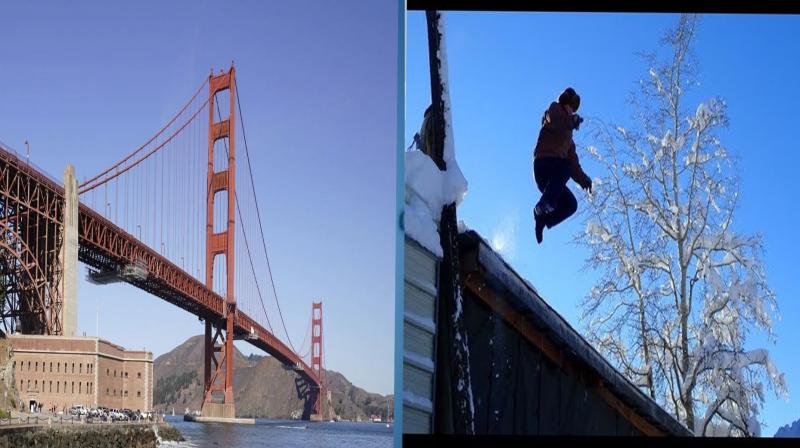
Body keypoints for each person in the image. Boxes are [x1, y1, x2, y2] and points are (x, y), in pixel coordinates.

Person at [532, 87, 592, 244]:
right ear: (564, 102)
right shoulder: (554, 110)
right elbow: (556, 120)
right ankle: (545, 203)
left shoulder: (569, 142)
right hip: (543, 165)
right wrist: (570, 122)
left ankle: (542, 218)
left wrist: (584, 180)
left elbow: (574, 165)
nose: (571, 111)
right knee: (565, 166)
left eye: (573, 110)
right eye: (570, 107)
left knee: (571, 204)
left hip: (554, 179)